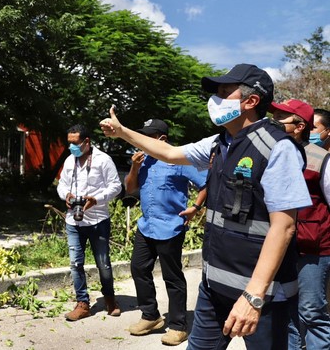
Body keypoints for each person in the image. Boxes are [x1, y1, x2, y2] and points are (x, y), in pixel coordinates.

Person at [100, 63, 312, 349]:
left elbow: (284, 227)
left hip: (263, 296)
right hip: (214, 287)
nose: (215, 100)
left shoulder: (278, 147)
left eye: (225, 92)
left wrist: (253, 297)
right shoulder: (219, 142)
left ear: (250, 101)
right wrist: (122, 131)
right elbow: (170, 152)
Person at [125, 118, 207, 346]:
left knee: (172, 276)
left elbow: (206, 184)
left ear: (161, 139)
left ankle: (179, 326)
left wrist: (195, 208)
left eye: (148, 136)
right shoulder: (144, 161)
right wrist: (134, 167)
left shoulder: (178, 159)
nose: (143, 140)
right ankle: (150, 316)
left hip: (171, 226)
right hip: (147, 225)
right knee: (138, 268)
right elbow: (130, 189)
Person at [270, 99, 330, 350]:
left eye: (279, 120)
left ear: (298, 126)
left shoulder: (320, 158)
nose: (273, 124)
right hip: (280, 246)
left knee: (311, 311)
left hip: (312, 247)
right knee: (286, 311)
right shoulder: (271, 152)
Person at [56, 124, 122, 321]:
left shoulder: (103, 160)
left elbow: (116, 186)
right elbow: (61, 185)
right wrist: (65, 195)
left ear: (86, 142)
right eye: (69, 143)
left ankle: (109, 299)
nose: (71, 147)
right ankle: (82, 303)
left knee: (103, 264)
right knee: (76, 263)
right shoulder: (69, 161)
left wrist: (97, 199)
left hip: (98, 220)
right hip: (73, 221)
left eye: (75, 143)